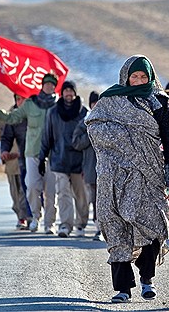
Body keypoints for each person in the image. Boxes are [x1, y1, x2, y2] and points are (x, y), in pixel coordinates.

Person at [85, 55, 169, 303]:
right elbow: (93, 127)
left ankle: (147, 280)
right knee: (116, 223)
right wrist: (123, 140)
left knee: (152, 222)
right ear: (125, 77)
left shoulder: (160, 101)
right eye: (134, 76)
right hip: (114, 175)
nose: (139, 81)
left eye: (143, 77)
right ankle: (122, 288)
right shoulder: (110, 99)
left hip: (149, 173)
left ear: (150, 78)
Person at [0, 73, 58, 234]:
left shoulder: (58, 105)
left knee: (51, 191)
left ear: (55, 87)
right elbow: (11, 117)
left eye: (52, 84)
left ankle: (50, 223)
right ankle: (35, 218)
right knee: (32, 187)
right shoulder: (31, 104)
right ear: (42, 85)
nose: (49, 86)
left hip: (53, 154)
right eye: (47, 84)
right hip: (32, 153)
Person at [39, 80, 89, 237]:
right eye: (66, 91)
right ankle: (66, 225)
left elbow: (89, 137)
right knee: (63, 194)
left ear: (75, 93)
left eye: (71, 91)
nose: (68, 94)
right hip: (59, 159)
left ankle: (81, 224)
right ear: (62, 93)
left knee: (81, 195)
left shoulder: (84, 112)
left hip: (79, 161)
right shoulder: (53, 112)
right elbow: (47, 136)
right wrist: (42, 158)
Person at [0, 94, 30, 229]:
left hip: (28, 159)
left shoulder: (32, 114)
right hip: (12, 163)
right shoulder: (9, 116)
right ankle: (21, 217)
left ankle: (30, 216)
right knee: (15, 192)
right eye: (18, 99)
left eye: (23, 98)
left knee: (28, 190)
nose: (20, 101)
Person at [72, 90, 102, 240]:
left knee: (103, 199)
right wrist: (90, 134)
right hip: (90, 168)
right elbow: (76, 143)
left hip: (106, 169)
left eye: (98, 102)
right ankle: (91, 225)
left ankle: (101, 227)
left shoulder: (108, 120)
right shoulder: (84, 122)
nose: (96, 105)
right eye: (94, 103)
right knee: (93, 198)